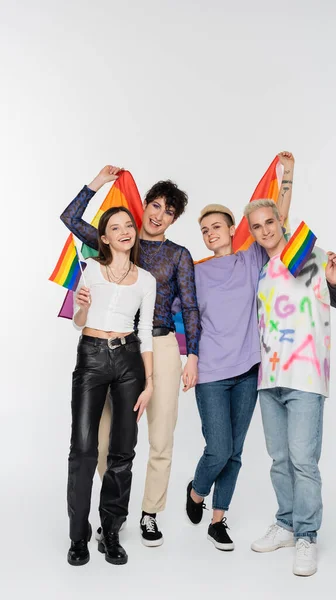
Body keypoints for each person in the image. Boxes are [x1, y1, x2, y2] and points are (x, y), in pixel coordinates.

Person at [61, 167, 200, 546]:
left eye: (168, 211)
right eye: (155, 205)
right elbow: (71, 219)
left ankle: (150, 513)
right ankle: (111, 517)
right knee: (107, 439)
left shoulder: (177, 255)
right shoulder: (120, 240)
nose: (158, 214)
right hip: (117, 349)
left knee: (160, 435)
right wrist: (97, 183)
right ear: (144, 205)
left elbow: (190, 307)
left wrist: (193, 356)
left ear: (174, 218)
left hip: (161, 345)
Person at [185, 152, 297, 550]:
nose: (210, 233)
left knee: (236, 451)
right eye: (204, 229)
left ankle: (219, 519)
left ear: (234, 229)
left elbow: (276, 221)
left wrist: (287, 178)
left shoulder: (251, 258)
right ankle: (197, 490)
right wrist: (189, 359)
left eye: (217, 226)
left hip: (249, 370)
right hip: (212, 373)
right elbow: (186, 318)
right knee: (219, 448)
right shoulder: (194, 271)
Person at [244, 199, 336, 576]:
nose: (264, 230)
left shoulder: (313, 254)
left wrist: (335, 282)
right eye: (256, 226)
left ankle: (307, 535)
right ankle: (286, 525)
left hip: (306, 376)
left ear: (280, 221)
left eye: (269, 222)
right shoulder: (259, 269)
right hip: (269, 377)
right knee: (279, 459)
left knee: (304, 461)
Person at [67, 206, 156, 566]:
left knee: (123, 451)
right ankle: (78, 536)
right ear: (103, 237)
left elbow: (146, 332)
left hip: (129, 361)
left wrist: (149, 383)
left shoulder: (146, 280)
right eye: (114, 228)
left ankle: (112, 531)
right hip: (91, 355)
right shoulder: (90, 269)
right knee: (84, 449)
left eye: (128, 226)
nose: (124, 231)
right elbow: (77, 323)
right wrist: (81, 307)